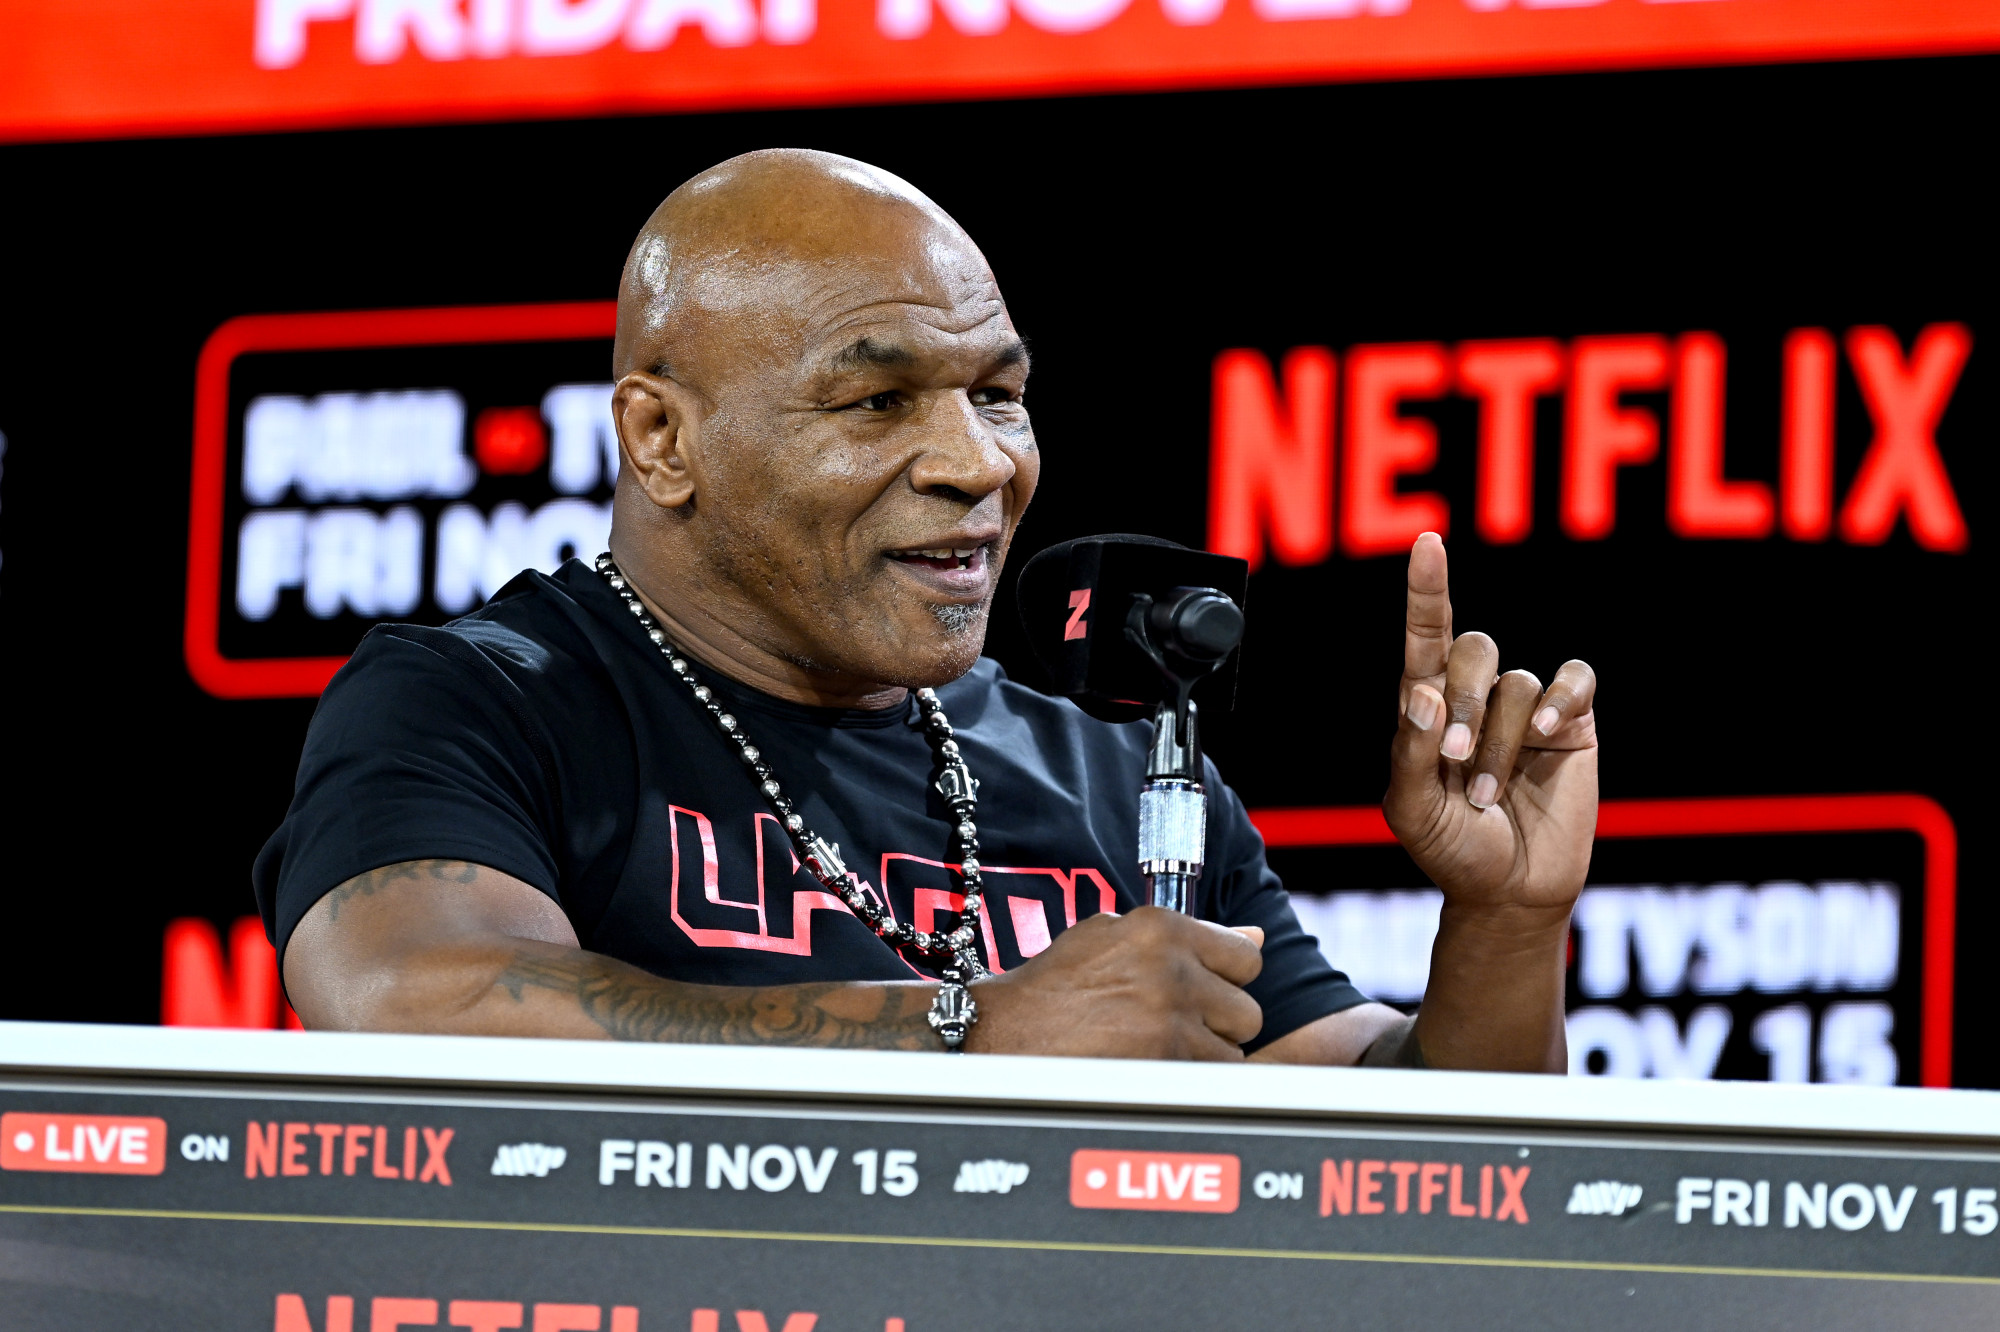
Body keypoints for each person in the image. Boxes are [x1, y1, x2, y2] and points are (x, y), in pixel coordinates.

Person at [257, 149, 1598, 1069]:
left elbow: (1405, 1156)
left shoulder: (1106, 766)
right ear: (661, 439)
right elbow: (416, 1005)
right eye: (877, 401)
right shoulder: (486, 702)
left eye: (997, 395)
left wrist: (1509, 923)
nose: (977, 463)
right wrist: (974, 1029)